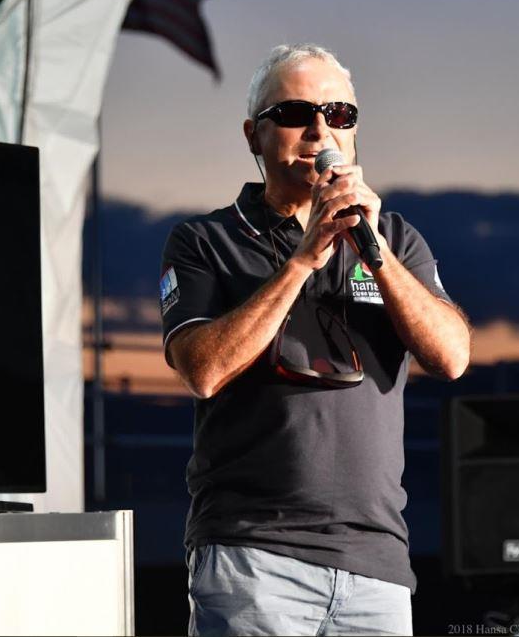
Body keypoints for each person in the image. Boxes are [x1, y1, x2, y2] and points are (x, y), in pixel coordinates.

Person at [160, 43, 472, 636]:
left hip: (376, 564)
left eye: (339, 114)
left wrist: (376, 255)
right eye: (295, 113)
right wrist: (303, 260)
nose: (319, 130)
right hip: (253, 557)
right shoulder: (205, 241)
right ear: (253, 136)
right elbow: (202, 370)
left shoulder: (395, 238)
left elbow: (452, 356)